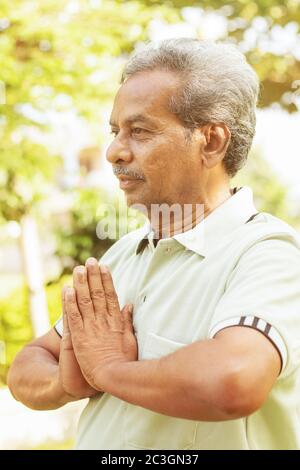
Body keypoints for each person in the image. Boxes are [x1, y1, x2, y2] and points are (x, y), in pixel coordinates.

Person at [8, 38, 300, 450]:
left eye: (140, 131)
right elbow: (28, 363)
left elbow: (233, 381)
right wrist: (64, 381)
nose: (113, 151)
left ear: (211, 142)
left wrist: (108, 370)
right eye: (115, 131)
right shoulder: (123, 253)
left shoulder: (268, 254)